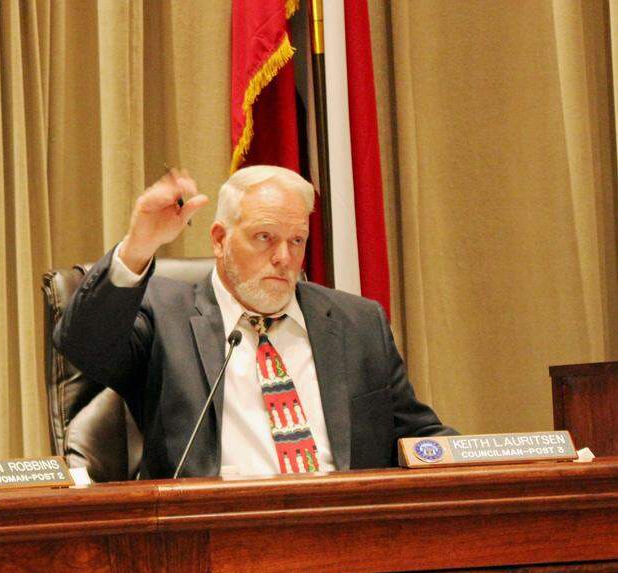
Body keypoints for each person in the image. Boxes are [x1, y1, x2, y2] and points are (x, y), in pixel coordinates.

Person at [54, 165, 455, 479]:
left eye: (296, 240)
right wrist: (139, 245)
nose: (284, 257)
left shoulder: (359, 323)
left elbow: (418, 440)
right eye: (264, 237)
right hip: (213, 545)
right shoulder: (164, 315)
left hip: (344, 541)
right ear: (219, 239)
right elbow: (86, 346)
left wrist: (500, 459)